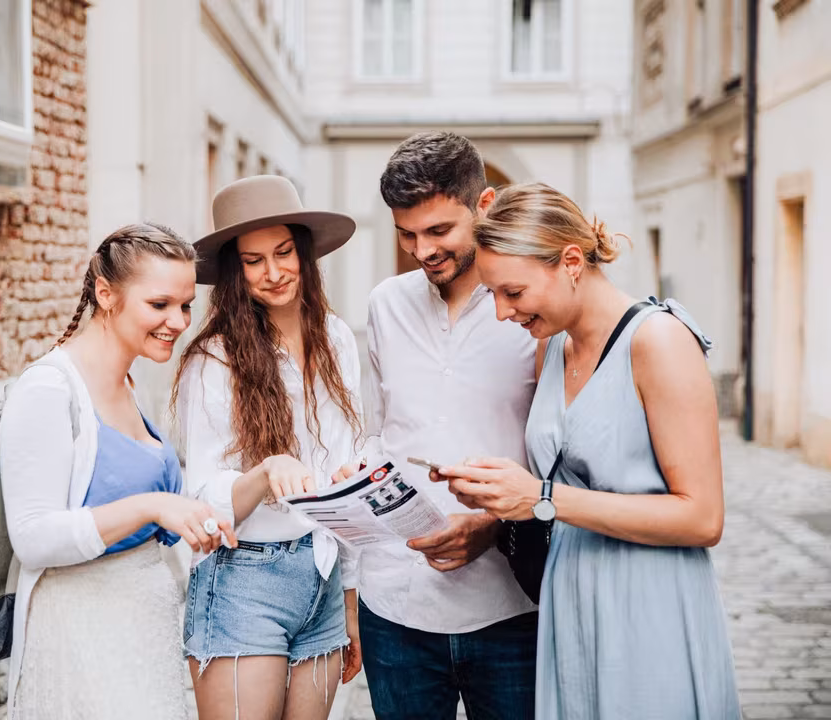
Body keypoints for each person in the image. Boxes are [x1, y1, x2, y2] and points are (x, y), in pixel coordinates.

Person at [436, 182, 741, 719]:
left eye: (513, 292)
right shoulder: (551, 345)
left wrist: (542, 498)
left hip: (649, 601)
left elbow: (703, 518)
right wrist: (496, 499)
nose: (503, 312)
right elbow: (557, 478)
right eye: (493, 295)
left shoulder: (659, 341)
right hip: (568, 595)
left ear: (572, 262)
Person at [0, 224, 237, 720]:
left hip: (143, 635)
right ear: (105, 294)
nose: (178, 321)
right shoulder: (47, 390)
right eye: (159, 304)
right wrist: (152, 506)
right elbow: (33, 538)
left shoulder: (128, 381)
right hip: (82, 636)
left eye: (185, 305)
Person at [348, 132, 540, 720]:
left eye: (438, 231)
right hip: (394, 607)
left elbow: (557, 456)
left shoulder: (531, 310)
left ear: (484, 205)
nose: (422, 250)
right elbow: (380, 432)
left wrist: (492, 526)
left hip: (511, 608)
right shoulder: (385, 304)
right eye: (407, 234)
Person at [171, 175, 364, 720]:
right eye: (253, 261)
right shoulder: (214, 359)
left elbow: (345, 470)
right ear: (235, 271)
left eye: (283, 253)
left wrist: (350, 602)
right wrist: (265, 472)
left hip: (322, 573)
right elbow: (202, 501)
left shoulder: (337, 338)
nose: (274, 272)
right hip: (243, 578)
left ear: (304, 253)